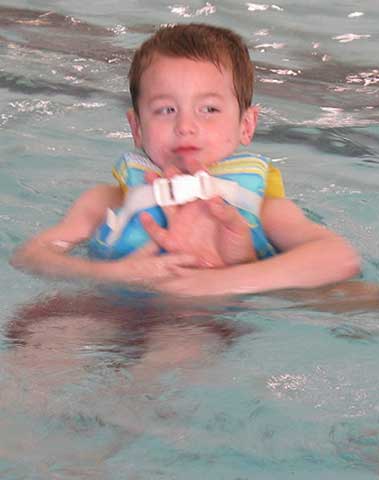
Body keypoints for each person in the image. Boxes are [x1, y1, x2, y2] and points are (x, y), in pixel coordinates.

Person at [10, 23, 360, 296]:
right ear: (137, 128)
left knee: (356, 297)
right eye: (166, 110)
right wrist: (111, 275)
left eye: (209, 109)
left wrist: (218, 282)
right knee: (46, 329)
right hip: (113, 307)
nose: (186, 126)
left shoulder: (264, 210)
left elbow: (338, 258)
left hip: (212, 322)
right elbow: (31, 256)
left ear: (246, 124)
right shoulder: (107, 202)